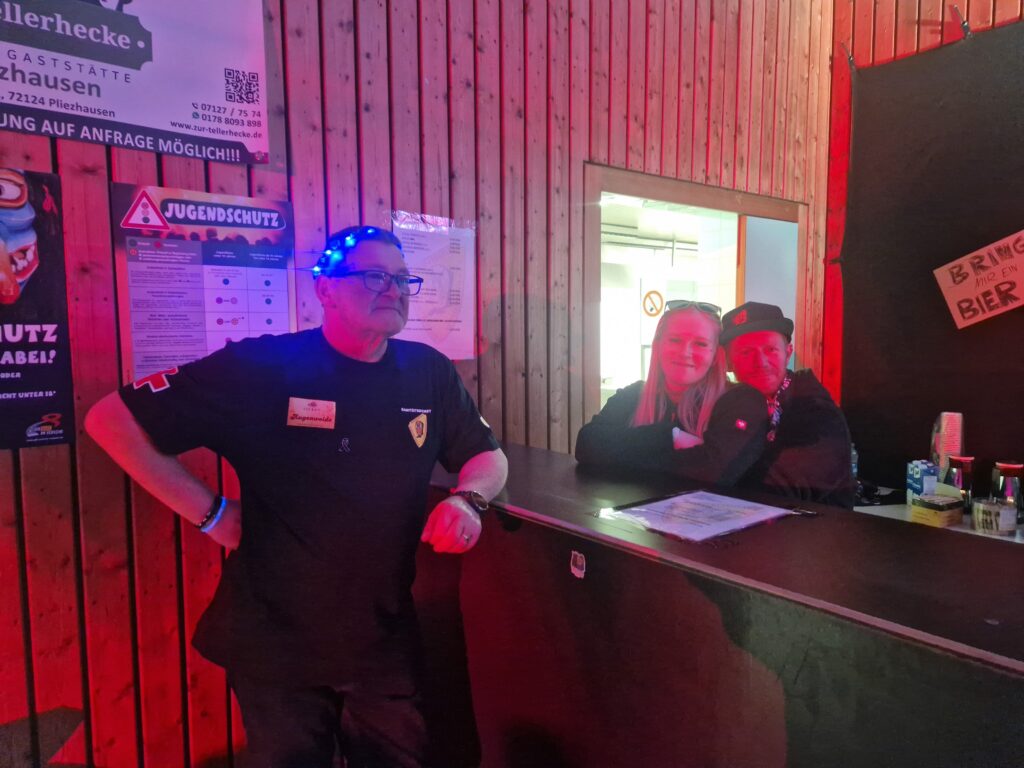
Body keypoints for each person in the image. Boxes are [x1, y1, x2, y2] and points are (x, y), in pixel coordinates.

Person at [85, 225, 508, 768]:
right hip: (276, 643)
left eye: (403, 279)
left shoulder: (427, 371)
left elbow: (487, 456)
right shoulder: (261, 367)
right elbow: (109, 420)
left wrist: (468, 499)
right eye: (373, 276)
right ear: (324, 288)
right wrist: (211, 514)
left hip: (383, 635)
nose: (393, 290)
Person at [575, 300, 769, 486]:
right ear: (658, 346)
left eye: (700, 344)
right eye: (675, 340)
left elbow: (713, 472)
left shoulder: (742, 401)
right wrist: (671, 436)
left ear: (715, 355)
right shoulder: (634, 394)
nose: (685, 352)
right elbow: (587, 444)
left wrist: (621, 451)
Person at [720, 301, 855, 508]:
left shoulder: (817, 412)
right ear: (729, 362)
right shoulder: (731, 406)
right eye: (746, 352)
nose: (761, 362)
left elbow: (773, 492)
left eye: (770, 349)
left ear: (788, 353)